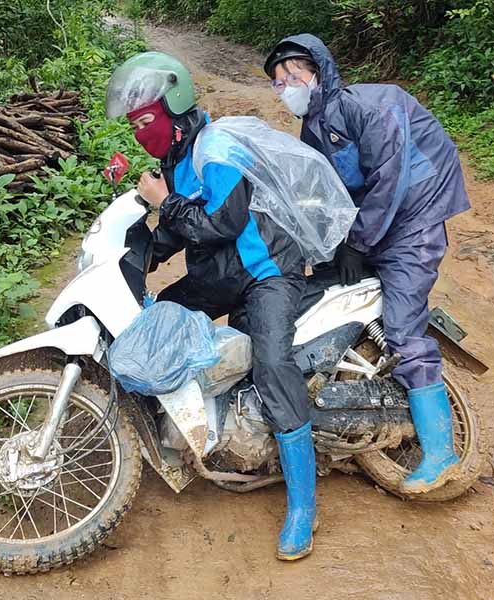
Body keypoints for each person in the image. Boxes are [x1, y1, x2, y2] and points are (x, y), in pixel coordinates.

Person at [105, 52, 317, 560]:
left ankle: (303, 508)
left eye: (145, 121)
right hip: (218, 275)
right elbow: (180, 229)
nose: (140, 133)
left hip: (265, 274)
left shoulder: (217, 148)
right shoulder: (174, 160)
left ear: (174, 109)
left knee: (272, 367)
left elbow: (219, 223)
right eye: (133, 125)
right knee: (154, 324)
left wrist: (164, 204)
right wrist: (133, 255)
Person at [264, 35, 472, 494]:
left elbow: (390, 180)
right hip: (375, 222)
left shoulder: (371, 106)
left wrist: (356, 241)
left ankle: (440, 452)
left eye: (294, 76)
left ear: (318, 69)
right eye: (279, 84)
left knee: (402, 326)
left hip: (416, 217)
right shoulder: (314, 128)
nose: (288, 88)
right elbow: (321, 194)